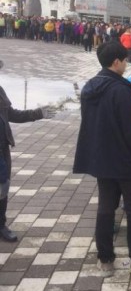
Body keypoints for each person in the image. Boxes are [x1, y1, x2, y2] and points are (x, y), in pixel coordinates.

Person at [73, 41, 131, 277]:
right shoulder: (120, 91)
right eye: (125, 60)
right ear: (116, 62)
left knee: (106, 208)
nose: (127, 63)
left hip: (101, 159)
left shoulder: (89, 87)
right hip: (125, 161)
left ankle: (106, 260)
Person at [0, 60, 54, 242]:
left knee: (3, 188)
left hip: (2, 149)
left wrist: (38, 113)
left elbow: (13, 114)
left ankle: (1, 225)